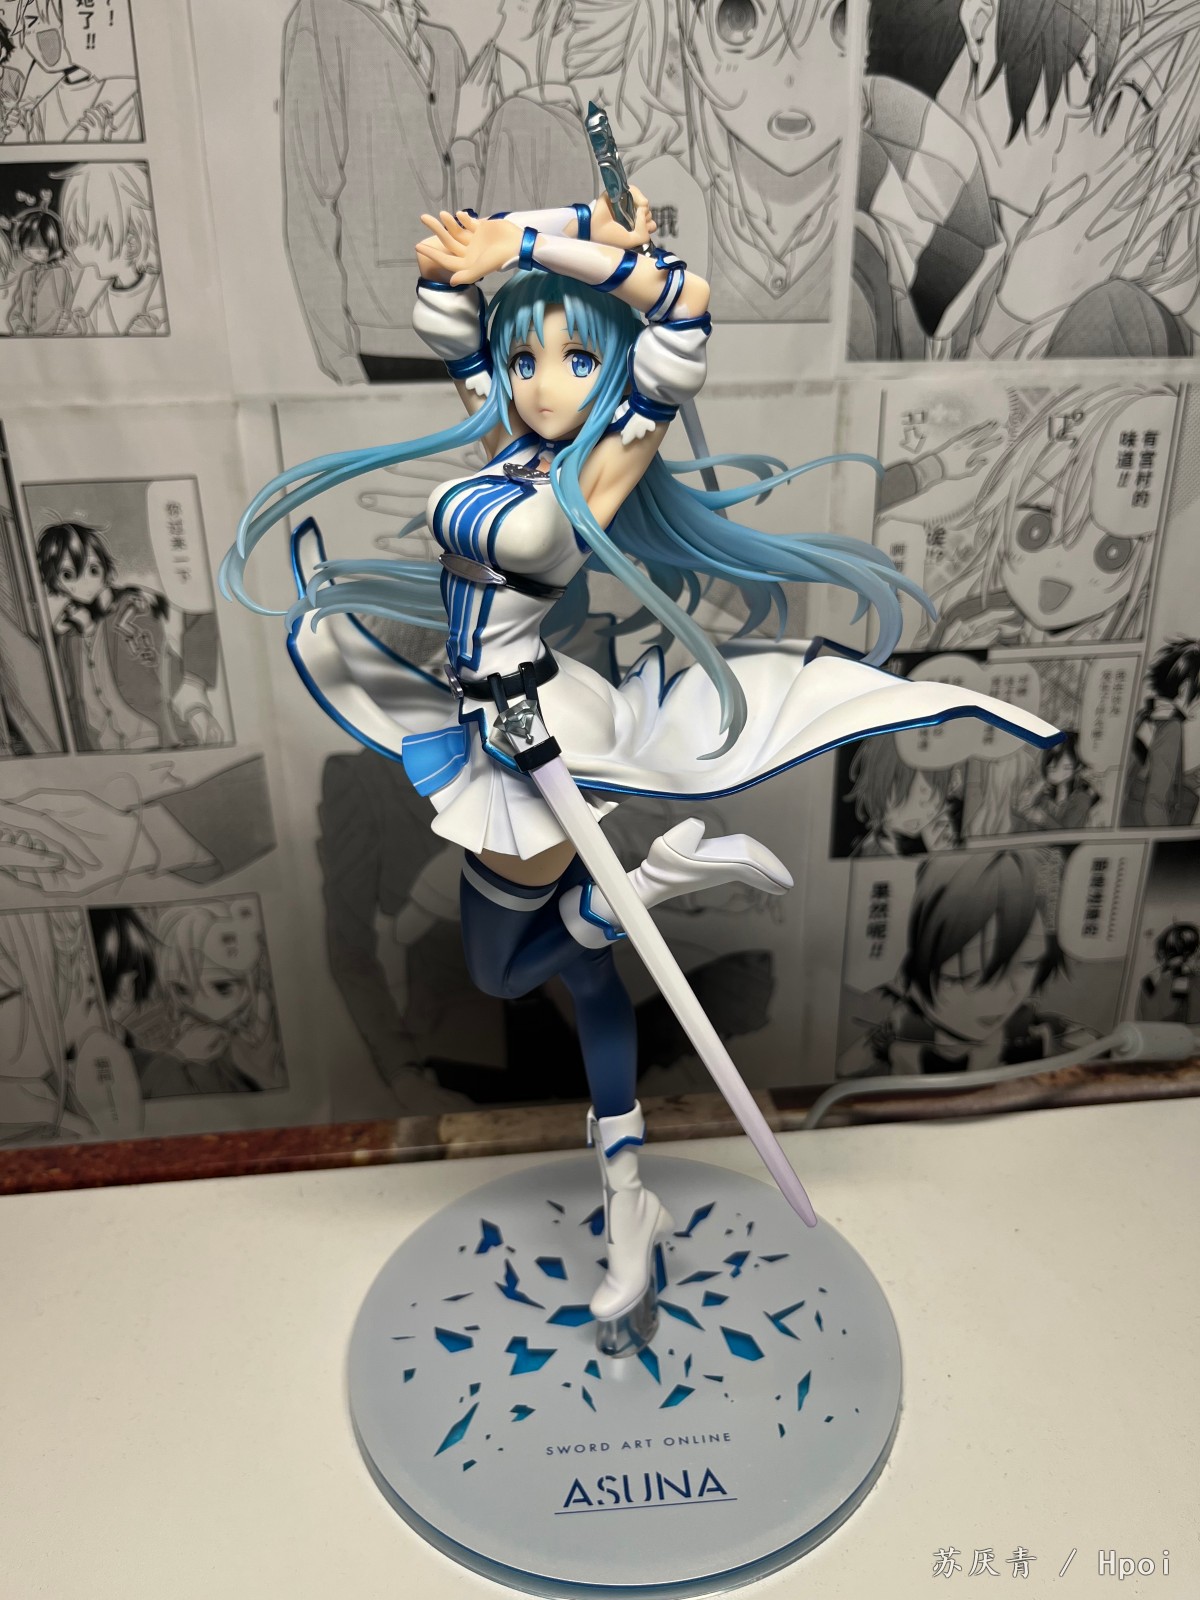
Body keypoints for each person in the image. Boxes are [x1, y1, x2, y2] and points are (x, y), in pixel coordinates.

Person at [223, 187, 1058, 1335]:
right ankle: (630, 1206)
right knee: (585, 984)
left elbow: (685, 305)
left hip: (528, 737)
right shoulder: (512, 440)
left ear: (613, 374)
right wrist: (555, 229)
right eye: (526, 358)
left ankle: (654, 880)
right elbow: (443, 299)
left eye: (574, 361)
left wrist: (532, 244)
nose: (540, 382)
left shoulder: (603, 462)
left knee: (502, 968)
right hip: (495, 718)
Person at [280, 0, 468, 384]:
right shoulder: (322, 19)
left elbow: (441, 179)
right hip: (385, 338)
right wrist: (339, 354)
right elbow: (309, 204)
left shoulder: (443, 46)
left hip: (464, 331)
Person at [922, 387, 1164, 649]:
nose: (1062, 566)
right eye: (1034, 531)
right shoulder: (969, 616)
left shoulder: (1141, 629)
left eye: (1112, 553)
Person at [838, 850, 1094, 1077]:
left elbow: (1100, 1050)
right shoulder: (897, 1032)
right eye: (963, 975)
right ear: (905, 975)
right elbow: (846, 1071)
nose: (1001, 996)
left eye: (1027, 964)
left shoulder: (1035, 1030)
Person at [36, 520, 224, 752]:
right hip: (105, 752)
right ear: (55, 581)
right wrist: (57, 635)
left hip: (158, 738)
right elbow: (66, 696)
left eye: (93, 569)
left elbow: (169, 660)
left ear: (105, 567)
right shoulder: (68, 635)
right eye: (68, 574)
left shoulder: (136, 606)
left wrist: (196, 708)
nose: (85, 582)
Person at [2, 0, 142, 143]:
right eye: (28, 26)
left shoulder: (124, 96)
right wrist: (18, 130)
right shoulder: (42, 104)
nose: (37, 36)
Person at [58, 163, 166, 336]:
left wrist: (153, 332)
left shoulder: (160, 293)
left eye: (91, 239)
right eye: (75, 239)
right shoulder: (100, 302)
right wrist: (77, 331)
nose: (77, 252)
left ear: (130, 245)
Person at [1122, 638, 1200, 827]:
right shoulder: (1171, 727)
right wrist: (1164, 837)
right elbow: (1155, 800)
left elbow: (1146, 766)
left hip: (1129, 808)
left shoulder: (1147, 715)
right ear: (1184, 690)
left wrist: (1189, 779)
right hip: (1146, 819)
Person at [844, 734, 962, 856]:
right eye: (901, 798)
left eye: (927, 803)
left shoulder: (949, 815)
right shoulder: (873, 849)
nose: (915, 816)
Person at [5, 189, 74, 335]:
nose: (30, 251)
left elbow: (63, 309)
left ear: (52, 243)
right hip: (26, 338)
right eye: (27, 246)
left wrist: (45, 333)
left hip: (51, 337)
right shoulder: (27, 275)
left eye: (37, 246)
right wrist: (19, 328)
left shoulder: (59, 273)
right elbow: (16, 311)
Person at [1014, 733, 1100, 832]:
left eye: (1065, 766)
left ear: (1075, 768)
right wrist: (1038, 787)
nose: (1051, 767)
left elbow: (1068, 836)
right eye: (1050, 762)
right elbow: (1021, 809)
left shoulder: (1081, 799)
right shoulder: (1045, 792)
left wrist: (1043, 819)